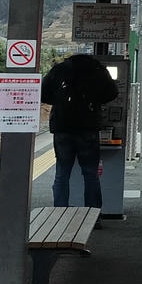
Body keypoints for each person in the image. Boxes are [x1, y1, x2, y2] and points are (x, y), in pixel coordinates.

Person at [40, 52, 118, 211]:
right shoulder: (97, 69)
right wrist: (94, 102)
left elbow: (43, 93)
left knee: (62, 173)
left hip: (62, 127)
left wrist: (59, 102)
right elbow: (113, 93)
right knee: (90, 174)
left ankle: (59, 212)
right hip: (88, 127)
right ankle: (93, 213)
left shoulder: (59, 69)